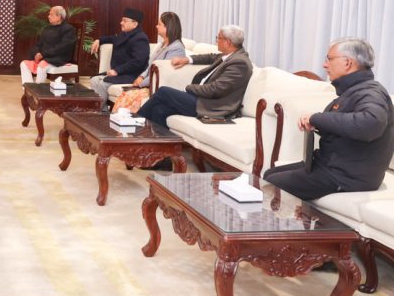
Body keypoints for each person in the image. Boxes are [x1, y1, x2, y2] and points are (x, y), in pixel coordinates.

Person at [263, 38, 394, 200]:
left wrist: (317, 118)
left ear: (347, 63)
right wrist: (316, 123)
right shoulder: (354, 90)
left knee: (271, 183)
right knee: (269, 174)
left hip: (348, 176)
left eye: (329, 59)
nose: (325, 65)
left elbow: (370, 124)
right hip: (333, 166)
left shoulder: (371, 93)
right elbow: (345, 125)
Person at [136, 24, 253, 128]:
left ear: (227, 42)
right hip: (202, 99)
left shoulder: (240, 63)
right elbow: (209, 57)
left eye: (218, 38)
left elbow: (216, 90)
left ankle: (134, 123)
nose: (216, 41)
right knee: (159, 110)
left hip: (212, 106)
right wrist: (187, 59)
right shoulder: (230, 55)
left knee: (163, 91)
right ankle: (157, 143)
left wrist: (189, 88)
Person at [111, 12, 187, 112]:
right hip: (149, 84)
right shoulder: (162, 45)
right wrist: (141, 77)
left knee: (129, 97)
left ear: (168, 27)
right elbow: (150, 65)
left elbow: (162, 73)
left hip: (159, 88)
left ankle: (129, 121)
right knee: (126, 95)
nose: (156, 26)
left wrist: (141, 83)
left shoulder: (176, 48)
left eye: (159, 24)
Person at [89, 8, 150, 101]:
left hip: (131, 75)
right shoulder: (125, 34)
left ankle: (99, 109)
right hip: (121, 73)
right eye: (122, 20)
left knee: (103, 84)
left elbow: (138, 62)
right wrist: (99, 40)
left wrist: (117, 70)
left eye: (124, 21)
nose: (121, 23)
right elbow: (112, 38)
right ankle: (99, 108)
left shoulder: (140, 39)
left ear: (135, 24)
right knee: (94, 80)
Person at [19, 6, 77, 84]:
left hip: (58, 58)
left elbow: (63, 47)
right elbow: (38, 44)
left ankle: (38, 90)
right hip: (45, 57)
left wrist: (43, 54)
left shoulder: (68, 29)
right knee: (24, 64)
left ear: (59, 17)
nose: (48, 16)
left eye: (51, 14)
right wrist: (37, 54)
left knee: (41, 66)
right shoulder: (47, 29)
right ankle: (28, 89)